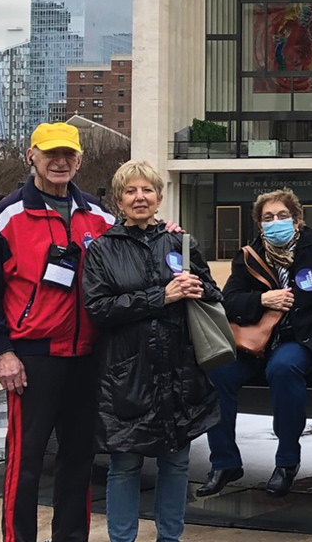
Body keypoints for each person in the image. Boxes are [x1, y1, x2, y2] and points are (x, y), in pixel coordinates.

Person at [0, 122, 117, 542]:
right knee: (26, 461)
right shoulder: (7, 217)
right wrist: (1, 351)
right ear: (31, 155)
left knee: (78, 460)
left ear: (80, 160)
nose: (60, 162)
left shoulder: (100, 218)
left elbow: (132, 261)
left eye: (68, 154)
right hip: (32, 359)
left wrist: (167, 237)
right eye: (51, 154)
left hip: (86, 356)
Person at [83, 160, 222, 542]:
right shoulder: (102, 251)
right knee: (125, 462)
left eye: (147, 190)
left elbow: (214, 294)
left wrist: (198, 289)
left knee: (176, 461)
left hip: (179, 369)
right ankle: (122, 537)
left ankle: (169, 536)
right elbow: (98, 309)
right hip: (128, 372)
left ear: (160, 197)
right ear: (119, 200)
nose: (140, 197)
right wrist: (159, 296)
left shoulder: (181, 242)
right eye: (131, 191)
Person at [201, 188, 312, 498]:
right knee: (217, 373)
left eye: (281, 216)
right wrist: (262, 299)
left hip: (298, 339)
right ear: (259, 224)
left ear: (296, 219)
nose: (275, 221)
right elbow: (229, 301)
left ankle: (287, 461)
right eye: (267, 218)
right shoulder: (249, 255)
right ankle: (224, 462)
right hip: (254, 342)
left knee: (283, 369)